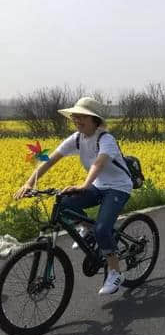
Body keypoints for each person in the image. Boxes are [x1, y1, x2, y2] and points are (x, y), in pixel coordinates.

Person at [13, 97, 132, 295]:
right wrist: (29, 182)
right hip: (99, 185)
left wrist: (85, 185)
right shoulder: (77, 138)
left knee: (103, 229)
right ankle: (87, 228)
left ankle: (114, 272)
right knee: (65, 203)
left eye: (82, 117)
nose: (77, 120)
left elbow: (99, 163)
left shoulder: (106, 139)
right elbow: (50, 160)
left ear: (95, 120)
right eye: (75, 116)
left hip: (118, 187)